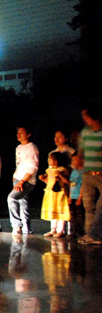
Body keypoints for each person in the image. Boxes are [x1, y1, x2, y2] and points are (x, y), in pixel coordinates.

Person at [7, 125, 39, 236]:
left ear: (28, 134)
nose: (19, 134)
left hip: (26, 180)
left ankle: (16, 225)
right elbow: (19, 164)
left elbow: (33, 166)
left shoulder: (32, 147)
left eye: (22, 132)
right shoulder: (19, 147)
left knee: (12, 198)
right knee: (23, 203)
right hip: (17, 178)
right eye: (18, 132)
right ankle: (26, 229)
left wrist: (22, 181)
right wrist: (15, 176)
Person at [77, 105, 102, 245]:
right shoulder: (85, 132)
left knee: (100, 207)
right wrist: (79, 158)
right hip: (88, 174)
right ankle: (90, 234)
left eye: (86, 116)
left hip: (101, 174)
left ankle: (95, 234)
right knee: (88, 207)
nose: (84, 119)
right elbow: (81, 149)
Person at [39, 151, 71, 238]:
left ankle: (60, 230)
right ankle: (53, 229)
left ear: (56, 161)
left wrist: (60, 175)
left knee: (60, 211)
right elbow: (49, 182)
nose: (49, 161)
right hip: (51, 193)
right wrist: (43, 179)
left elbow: (66, 182)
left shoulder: (62, 170)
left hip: (60, 193)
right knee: (52, 211)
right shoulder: (49, 170)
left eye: (50, 159)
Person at [69, 153, 84, 238]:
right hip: (73, 195)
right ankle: (73, 232)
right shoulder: (74, 171)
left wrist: (80, 197)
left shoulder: (83, 172)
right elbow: (71, 183)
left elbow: (82, 185)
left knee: (79, 214)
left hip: (79, 196)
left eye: (75, 160)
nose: (74, 162)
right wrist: (70, 197)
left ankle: (81, 232)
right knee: (73, 214)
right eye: (73, 160)